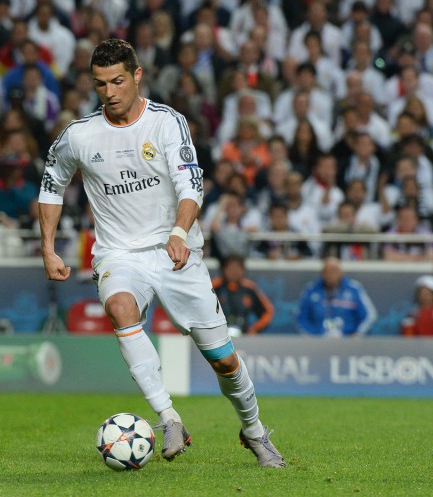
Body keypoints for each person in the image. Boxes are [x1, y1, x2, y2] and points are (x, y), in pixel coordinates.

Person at [38, 39, 285, 468]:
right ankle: (168, 417)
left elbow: (191, 184)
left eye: (118, 81)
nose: (110, 92)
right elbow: (51, 186)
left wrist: (179, 231)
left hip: (175, 251)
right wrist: (47, 247)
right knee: (119, 308)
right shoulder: (79, 135)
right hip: (118, 253)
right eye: (100, 85)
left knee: (223, 360)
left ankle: (254, 431)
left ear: (137, 76)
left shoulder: (167, 123)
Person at [297, 257, 377, 337]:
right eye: (327, 271)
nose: (330, 275)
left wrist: (357, 334)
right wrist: (312, 337)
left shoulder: (354, 289)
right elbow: (301, 318)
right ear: (321, 273)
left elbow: (369, 315)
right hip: (318, 341)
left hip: (348, 341)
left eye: (334, 271)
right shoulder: (311, 290)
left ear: (341, 272)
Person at [211, 256, 274, 335]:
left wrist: (254, 329)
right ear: (223, 270)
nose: (234, 272)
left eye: (237, 268)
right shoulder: (214, 287)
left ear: (243, 270)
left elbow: (268, 312)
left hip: (244, 334)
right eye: (230, 268)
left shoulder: (250, 288)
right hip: (217, 335)